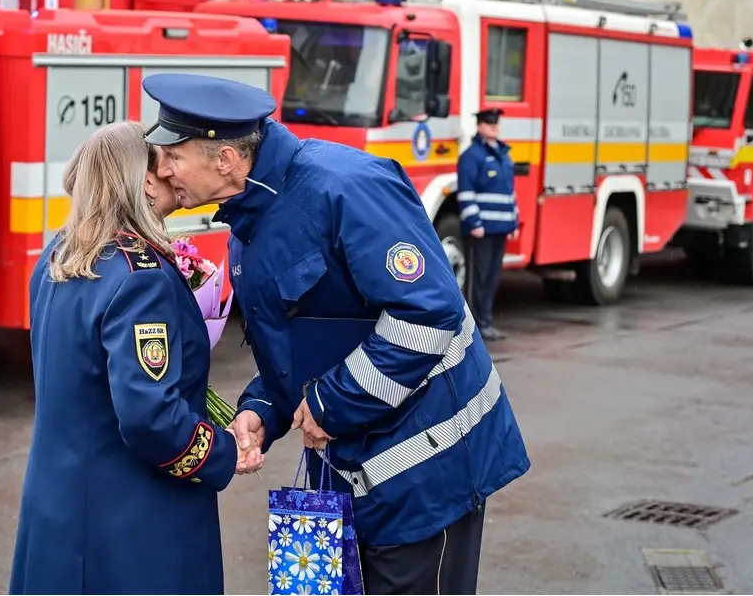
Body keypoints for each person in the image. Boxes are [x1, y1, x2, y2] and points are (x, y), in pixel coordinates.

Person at [143, 73, 530, 596]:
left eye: (173, 157)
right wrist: (263, 409)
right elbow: (298, 341)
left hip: (428, 473)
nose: (162, 171)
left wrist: (329, 405)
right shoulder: (247, 217)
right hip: (354, 468)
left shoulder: (347, 186)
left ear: (225, 160)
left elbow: (427, 314)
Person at [9, 121, 263, 596]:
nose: (173, 168)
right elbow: (150, 417)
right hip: (130, 524)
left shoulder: (59, 255)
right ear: (145, 179)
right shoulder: (140, 275)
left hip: (60, 508)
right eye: (164, 160)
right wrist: (223, 452)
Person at [456, 108, 519, 342]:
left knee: (492, 279)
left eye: (496, 124)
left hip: (500, 228)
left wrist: (514, 221)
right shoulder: (472, 156)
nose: (494, 127)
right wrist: (474, 222)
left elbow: (510, 192)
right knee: (477, 280)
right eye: (489, 124)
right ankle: (474, 327)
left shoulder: (503, 155)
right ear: (479, 126)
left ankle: (486, 322)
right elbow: (466, 191)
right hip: (481, 231)